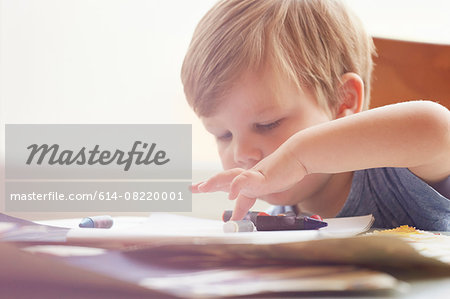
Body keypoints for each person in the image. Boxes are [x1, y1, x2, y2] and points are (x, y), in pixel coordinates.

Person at [181, 0, 450, 230]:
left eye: (268, 124)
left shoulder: (395, 176)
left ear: (344, 100)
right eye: (223, 135)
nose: (241, 153)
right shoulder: (281, 221)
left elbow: (436, 127)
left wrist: (297, 157)